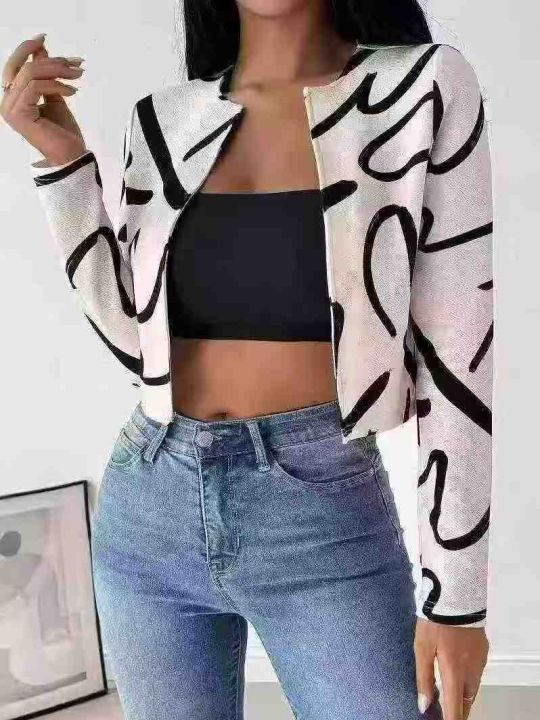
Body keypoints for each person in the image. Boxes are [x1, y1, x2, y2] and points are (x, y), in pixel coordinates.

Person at [1, 1, 493, 718]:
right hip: (150, 502)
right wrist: (64, 164)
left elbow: (459, 356)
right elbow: (140, 345)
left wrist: (457, 600)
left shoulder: (422, 87)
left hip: (321, 508)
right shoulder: (164, 119)